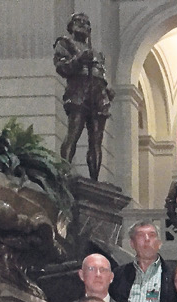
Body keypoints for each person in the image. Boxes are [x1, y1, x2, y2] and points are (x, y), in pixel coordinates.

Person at [53, 12, 113, 181]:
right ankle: (64, 171)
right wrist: (79, 59)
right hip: (78, 90)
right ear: (71, 25)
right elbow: (61, 68)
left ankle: (95, 179)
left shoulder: (97, 53)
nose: (83, 25)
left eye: (86, 23)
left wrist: (107, 89)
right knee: (74, 131)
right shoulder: (65, 43)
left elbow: (100, 73)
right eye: (79, 21)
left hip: (98, 93)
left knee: (96, 138)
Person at [110, 221, 177, 302]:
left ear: (159, 243)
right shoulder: (119, 275)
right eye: (141, 235)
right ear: (132, 243)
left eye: (152, 235)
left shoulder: (173, 274)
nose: (147, 239)